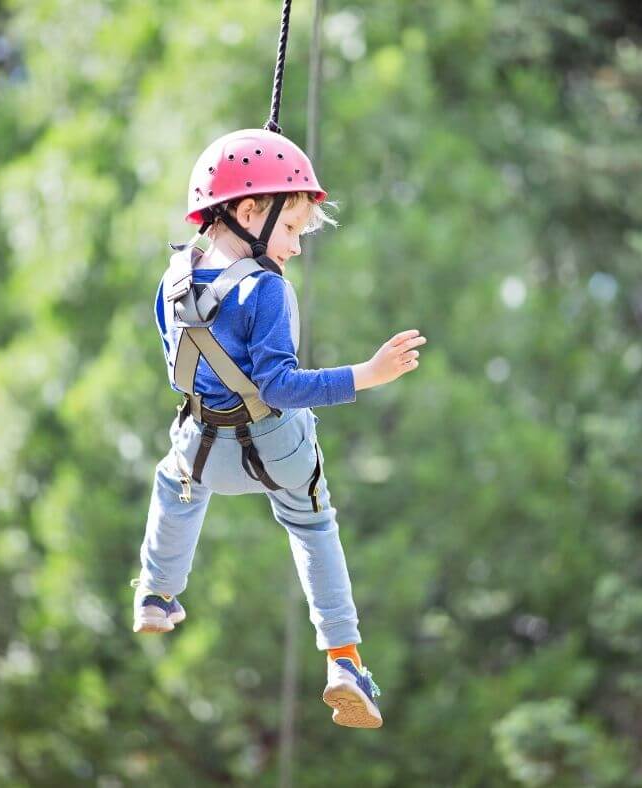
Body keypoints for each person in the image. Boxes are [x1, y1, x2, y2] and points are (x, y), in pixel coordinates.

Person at [131, 129, 426, 729]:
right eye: (291, 230)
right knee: (314, 527)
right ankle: (344, 660)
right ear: (247, 212)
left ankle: (157, 593)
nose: (294, 247)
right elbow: (278, 387)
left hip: (202, 446)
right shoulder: (266, 289)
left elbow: (177, 371)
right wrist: (366, 375)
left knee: (173, 484)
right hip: (275, 448)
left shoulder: (173, 279)